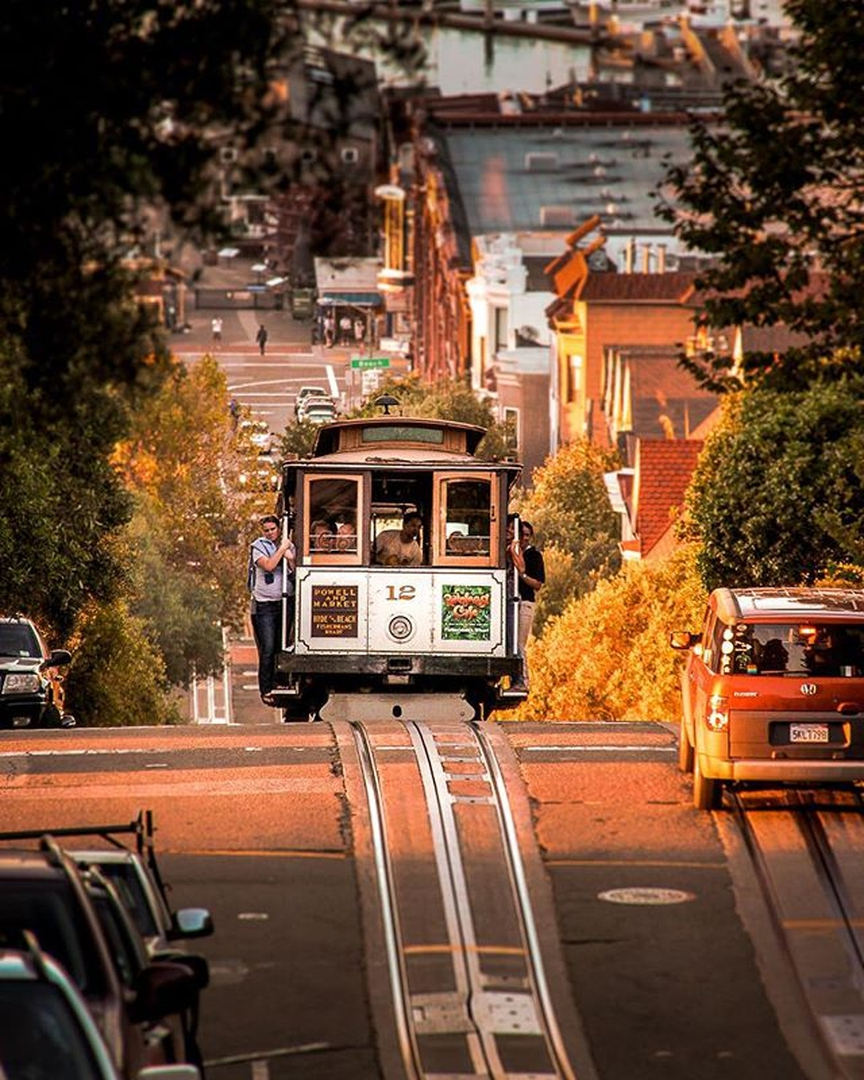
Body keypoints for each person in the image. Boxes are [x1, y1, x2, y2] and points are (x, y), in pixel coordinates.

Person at [249, 515, 295, 707]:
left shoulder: (288, 545)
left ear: (279, 529)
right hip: (265, 605)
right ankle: (265, 687)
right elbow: (268, 565)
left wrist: (290, 555)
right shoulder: (258, 547)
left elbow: (294, 568)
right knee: (267, 648)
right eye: (266, 530)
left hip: (284, 602)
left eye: (272, 529)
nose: (269, 533)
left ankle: (280, 682)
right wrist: (282, 550)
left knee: (280, 646)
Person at [506, 516, 545, 689]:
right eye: (523, 534)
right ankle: (514, 678)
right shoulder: (510, 550)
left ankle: (522, 680)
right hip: (511, 602)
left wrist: (522, 575)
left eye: (528, 535)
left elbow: (537, 583)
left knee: (519, 643)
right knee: (509, 642)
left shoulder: (534, 555)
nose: (525, 538)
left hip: (524, 602)